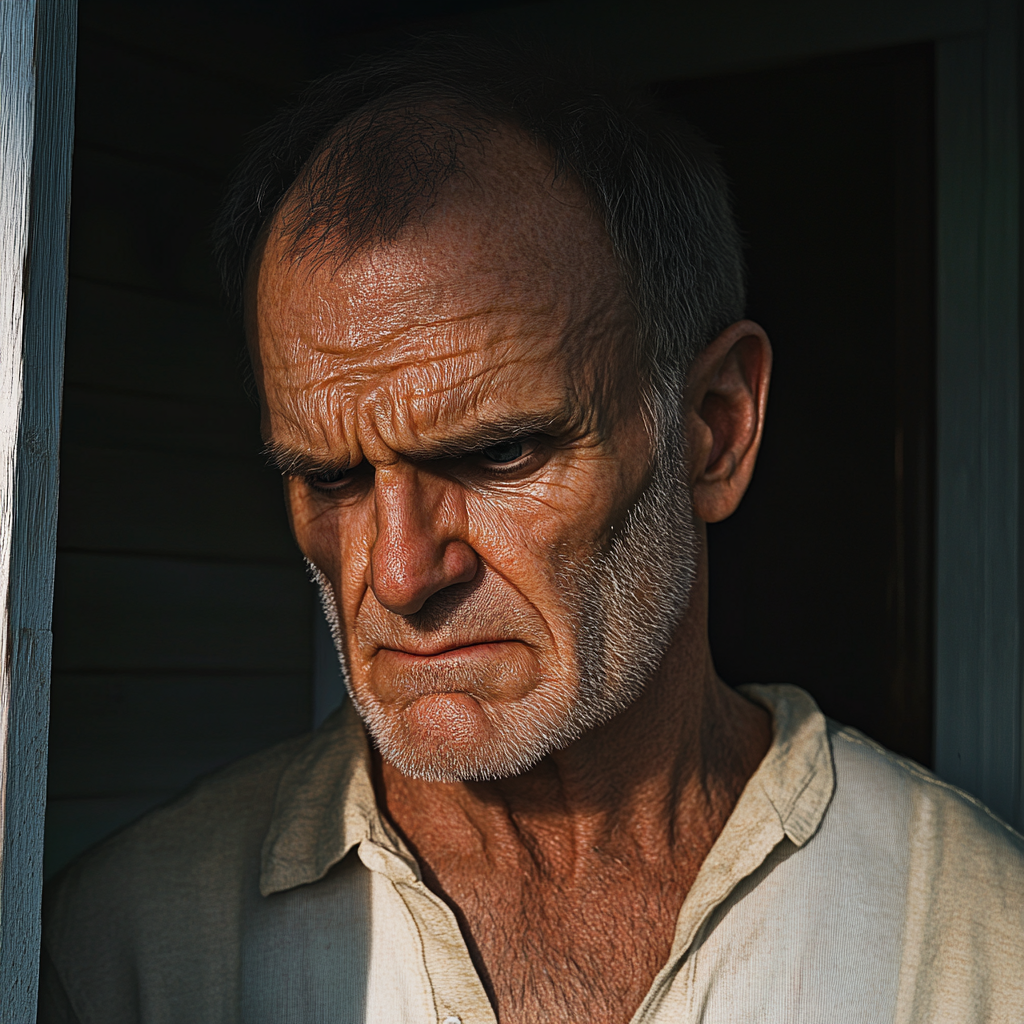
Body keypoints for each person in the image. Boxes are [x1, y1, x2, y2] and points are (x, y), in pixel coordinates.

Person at [39, 36, 1024, 1024]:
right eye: (331, 476)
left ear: (713, 430)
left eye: (498, 453)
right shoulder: (129, 954)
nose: (396, 571)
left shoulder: (977, 942)